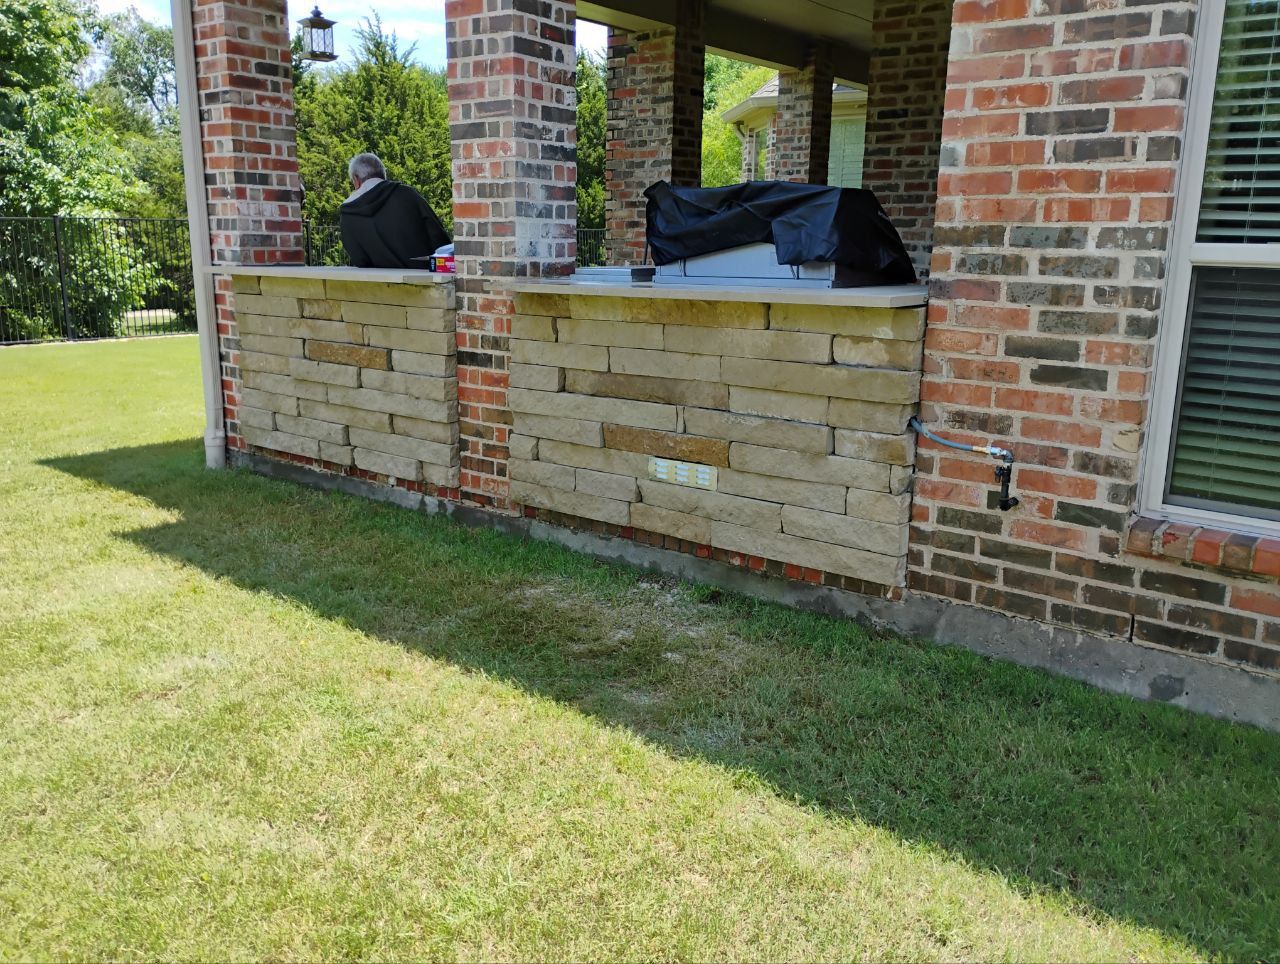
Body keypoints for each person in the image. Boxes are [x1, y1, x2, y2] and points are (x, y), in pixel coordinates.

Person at [339, 153, 450, 269]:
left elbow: (359, 260)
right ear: (383, 174)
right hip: (426, 278)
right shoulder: (408, 195)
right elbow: (440, 241)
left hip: (381, 283)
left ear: (356, 180)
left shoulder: (348, 212)